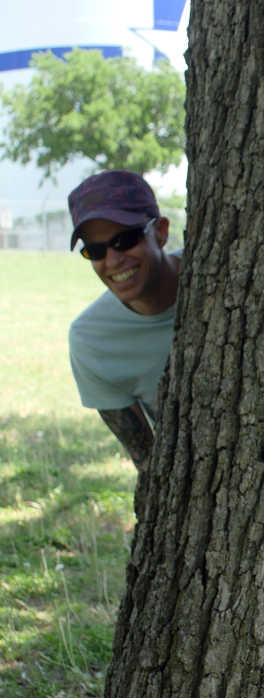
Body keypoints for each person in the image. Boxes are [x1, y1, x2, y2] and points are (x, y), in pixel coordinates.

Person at [67, 170, 182, 473]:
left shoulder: (231, 279)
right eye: (95, 250)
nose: (113, 260)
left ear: (161, 232)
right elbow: (150, 464)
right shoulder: (91, 341)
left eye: (125, 239)